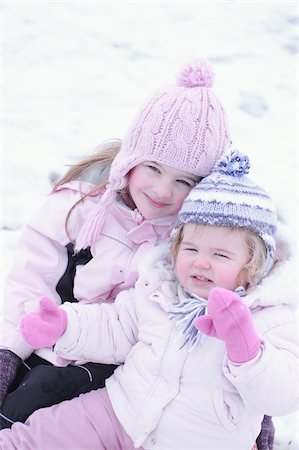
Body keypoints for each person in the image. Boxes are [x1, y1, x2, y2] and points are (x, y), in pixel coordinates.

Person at [1, 150, 297, 450]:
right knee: (41, 434)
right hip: (119, 411)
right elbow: (114, 325)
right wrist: (64, 325)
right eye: (191, 249)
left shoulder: (272, 316)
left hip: (199, 440)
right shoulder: (160, 289)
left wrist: (246, 350)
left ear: (253, 265)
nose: (201, 263)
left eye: (220, 255)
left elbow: (284, 394)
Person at [0, 58, 232, 427]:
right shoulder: (79, 206)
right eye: (153, 168)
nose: (162, 190)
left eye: (183, 181)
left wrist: (248, 413)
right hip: (45, 340)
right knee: (18, 408)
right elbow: (30, 278)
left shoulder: (190, 240)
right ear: (131, 161)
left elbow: (221, 313)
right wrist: (10, 349)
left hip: (120, 369)